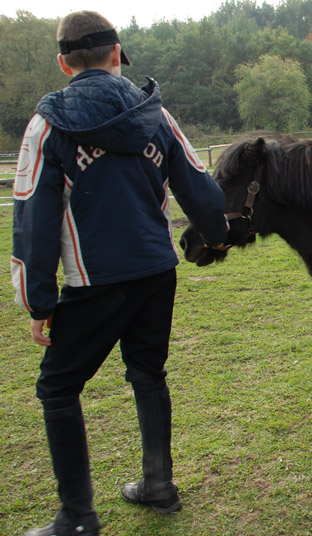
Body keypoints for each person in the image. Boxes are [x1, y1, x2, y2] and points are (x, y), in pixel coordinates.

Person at [11, 11, 228, 535]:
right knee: (148, 375)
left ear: (64, 64)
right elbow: (200, 189)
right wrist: (217, 233)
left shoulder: (47, 123)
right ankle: (159, 485)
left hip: (95, 281)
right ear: (117, 55)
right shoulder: (157, 113)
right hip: (157, 270)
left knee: (58, 389)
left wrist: (37, 303)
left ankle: (78, 518)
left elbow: (33, 219)